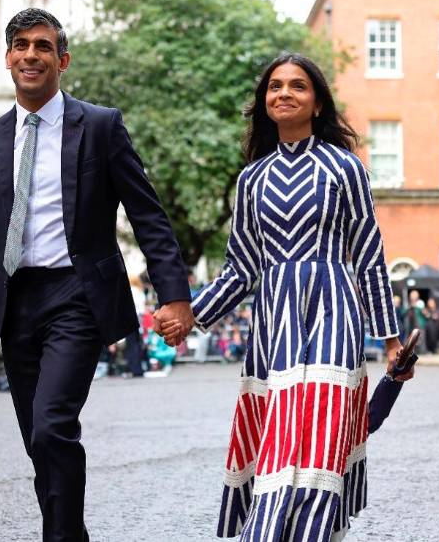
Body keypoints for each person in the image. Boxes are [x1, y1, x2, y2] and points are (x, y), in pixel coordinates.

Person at [0, 8, 193, 541]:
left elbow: (147, 214)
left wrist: (172, 295)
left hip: (77, 294)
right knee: (39, 438)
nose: (30, 55)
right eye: (20, 45)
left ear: (63, 59)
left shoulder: (100, 125)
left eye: (42, 46)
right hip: (16, 302)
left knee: (53, 424)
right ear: (8, 57)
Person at [161, 53, 414, 541]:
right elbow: (242, 267)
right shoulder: (251, 180)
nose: (284, 94)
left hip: (334, 316)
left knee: (319, 440)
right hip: (273, 326)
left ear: (317, 102)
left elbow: (368, 253)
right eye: (275, 87)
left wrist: (390, 338)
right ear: (265, 102)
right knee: (279, 446)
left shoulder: (345, 169)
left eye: (297, 86)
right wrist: (193, 315)